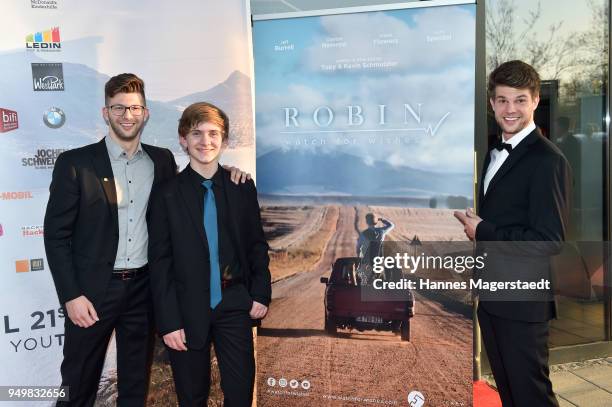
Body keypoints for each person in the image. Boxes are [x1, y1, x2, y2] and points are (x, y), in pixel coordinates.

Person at [44, 74, 248, 406]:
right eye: (119, 108)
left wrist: (232, 174)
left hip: (143, 292)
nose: (127, 115)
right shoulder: (75, 164)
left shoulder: (162, 160)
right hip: (93, 293)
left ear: (146, 113)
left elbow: (194, 183)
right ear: (105, 112)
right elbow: (56, 236)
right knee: (78, 385)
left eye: (135, 108)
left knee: (135, 387)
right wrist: (71, 295)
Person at [454, 60, 571, 407]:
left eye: (520, 100)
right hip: (492, 298)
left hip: (522, 304)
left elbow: (548, 240)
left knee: (531, 396)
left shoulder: (548, 160)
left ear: (535, 101)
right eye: (503, 100)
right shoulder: (494, 153)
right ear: (491, 104)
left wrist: (484, 230)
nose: (510, 109)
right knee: (510, 394)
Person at [148, 102, 271, 406]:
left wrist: (260, 293)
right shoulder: (166, 194)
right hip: (186, 310)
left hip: (234, 305)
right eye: (196, 133)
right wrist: (168, 322)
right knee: (192, 398)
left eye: (214, 133)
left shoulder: (241, 187)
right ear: (183, 139)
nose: (206, 141)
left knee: (240, 396)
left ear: (225, 141)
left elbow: (256, 244)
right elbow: (160, 262)